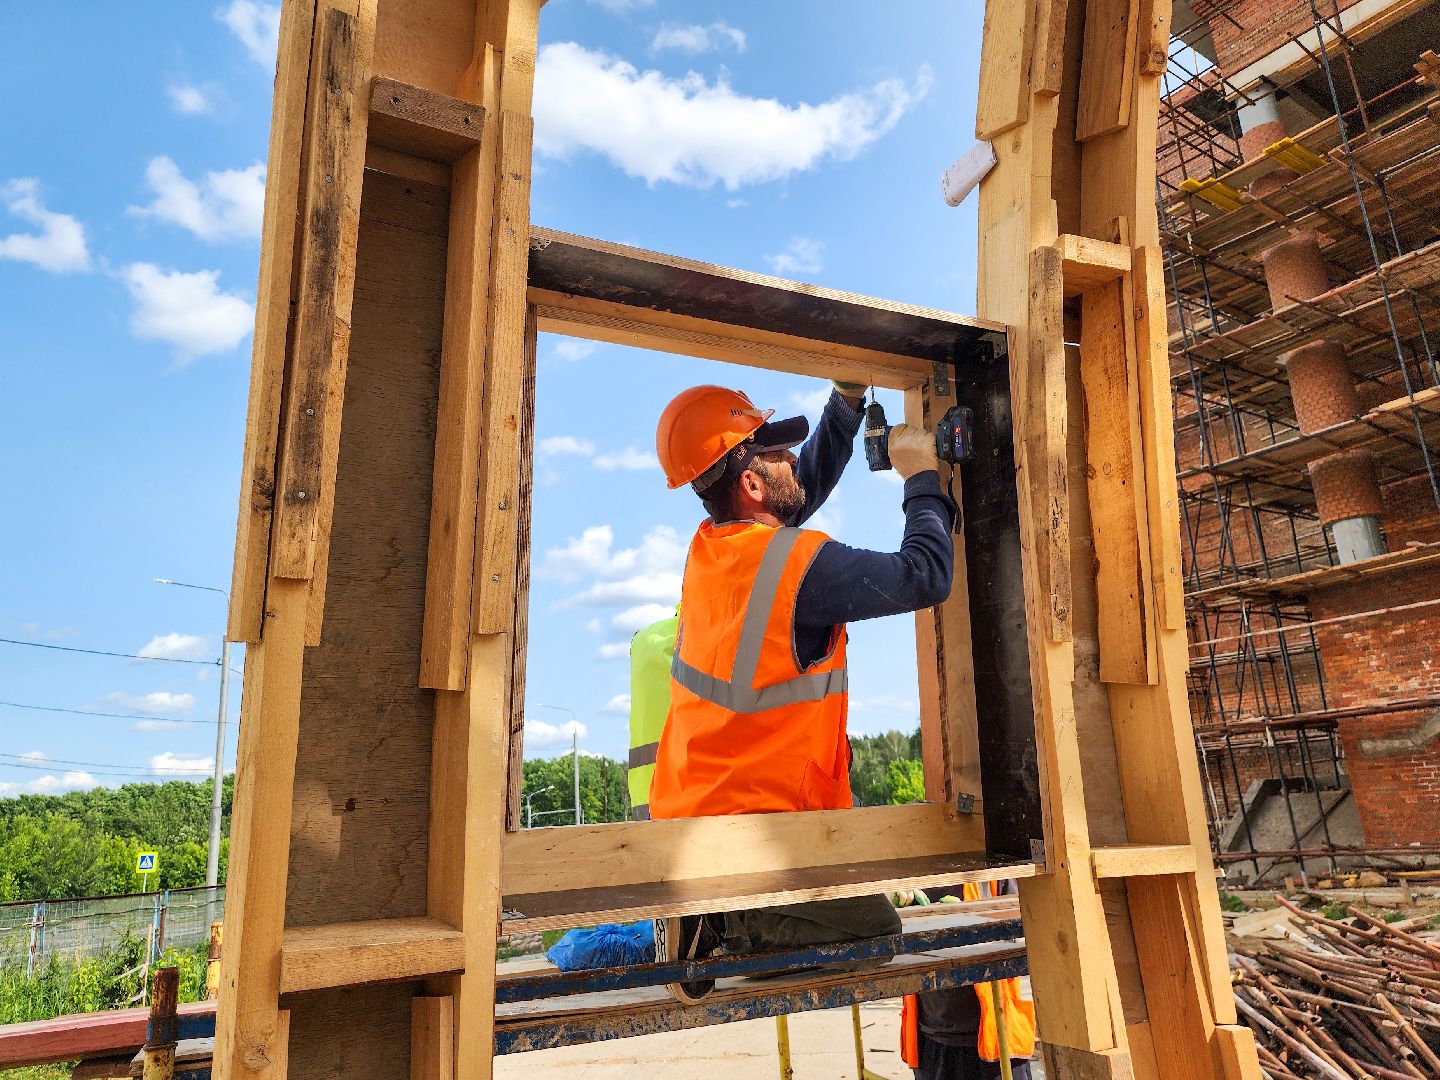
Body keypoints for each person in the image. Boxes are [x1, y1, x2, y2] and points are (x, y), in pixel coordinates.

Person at [648, 380, 959, 997]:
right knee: (871, 933)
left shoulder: (714, 550)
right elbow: (925, 575)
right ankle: (724, 927)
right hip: (756, 831)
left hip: (692, 819)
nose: (796, 457)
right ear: (752, 485)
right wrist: (921, 479)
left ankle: (709, 910)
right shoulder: (799, 566)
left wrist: (843, 406)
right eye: (778, 452)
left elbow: (797, 495)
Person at [899, 880, 1036, 1080]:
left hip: (995, 1041)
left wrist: (965, 921)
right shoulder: (905, 880)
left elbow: (1026, 929)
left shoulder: (992, 875)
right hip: (932, 1041)